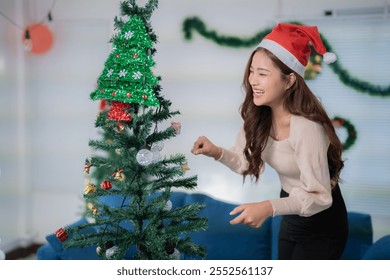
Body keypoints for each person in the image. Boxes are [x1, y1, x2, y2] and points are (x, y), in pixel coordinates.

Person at [191, 23, 348, 260]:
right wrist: (216, 152)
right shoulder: (258, 114)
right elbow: (246, 162)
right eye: (252, 71)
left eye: (263, 74)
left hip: (323, 221)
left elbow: (319, 197)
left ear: (289, 81)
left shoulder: (307, 127)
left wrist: (267, 207)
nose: (253, 80)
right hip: (292, 209)